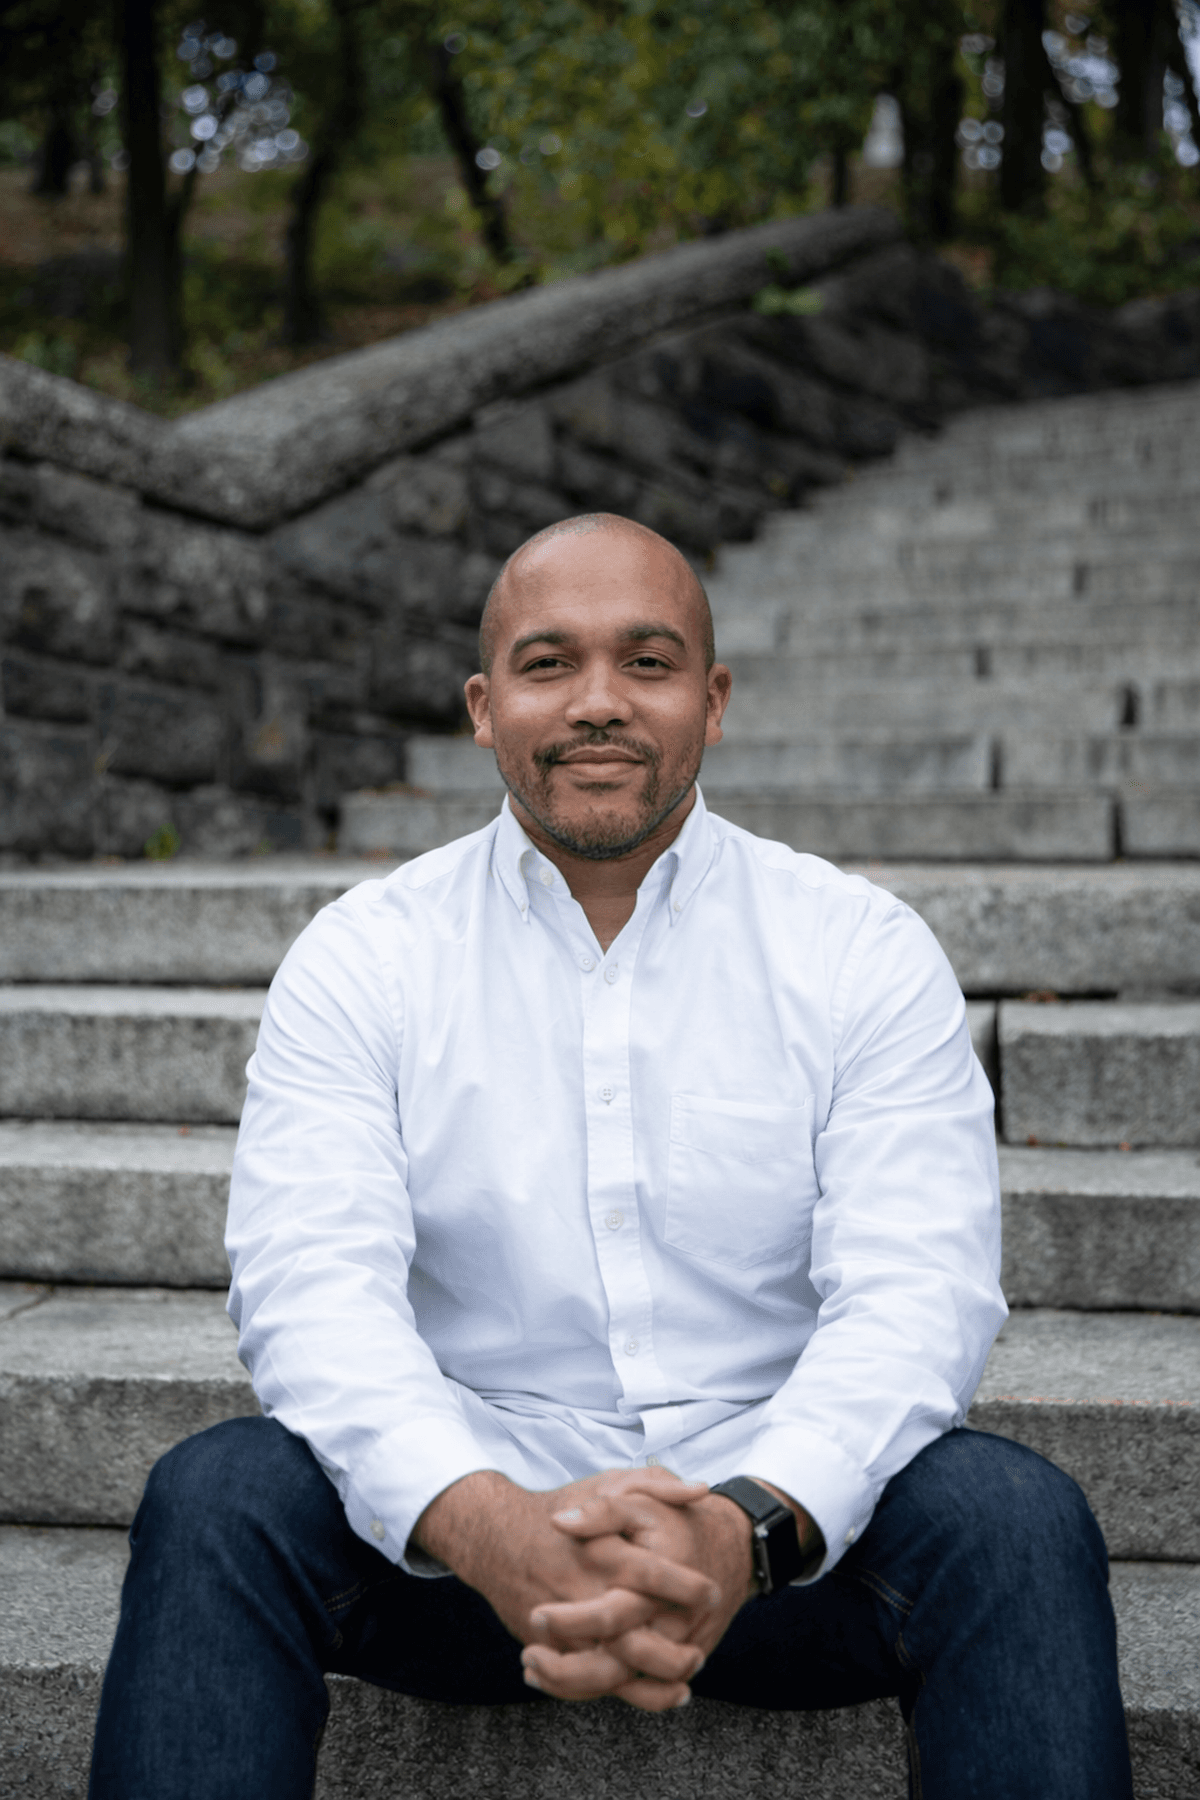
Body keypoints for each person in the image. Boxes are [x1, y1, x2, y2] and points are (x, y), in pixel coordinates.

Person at [89, 514, 1132, 1799]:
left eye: (646, 662)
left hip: (771, 1538)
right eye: (548, 664)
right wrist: (490, 1526)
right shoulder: (366, 957)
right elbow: (313, 1296)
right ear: (483, 707)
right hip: (459, 1546)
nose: (598, 704)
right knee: (220, 1495)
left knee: (1013, 1520)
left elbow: (920, 1298)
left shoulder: (859, 949)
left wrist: (737, 1527)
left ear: (714, 697)